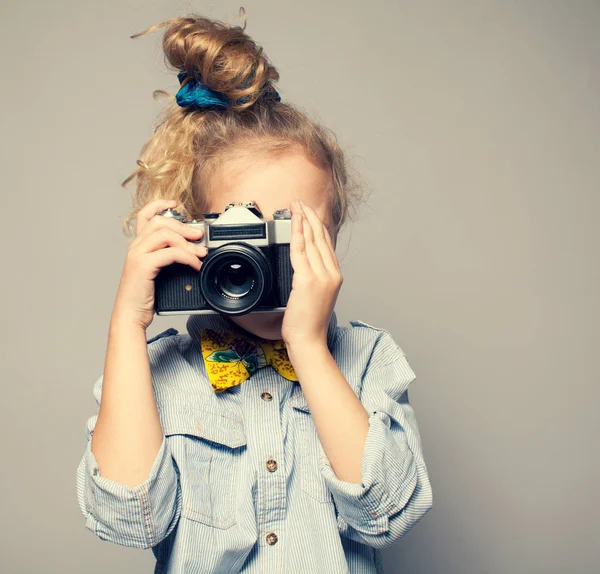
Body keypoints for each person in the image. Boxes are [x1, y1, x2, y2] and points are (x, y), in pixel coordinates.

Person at [75, 8, 433, 573]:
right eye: (244, 234)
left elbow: (385, 513)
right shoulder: (160, 372)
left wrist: (310, 347)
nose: (263, 263)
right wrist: (126, 323)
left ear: (333, 237)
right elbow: (127, 519)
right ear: (199, 236)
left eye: (290, 235)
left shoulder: (368, 363)